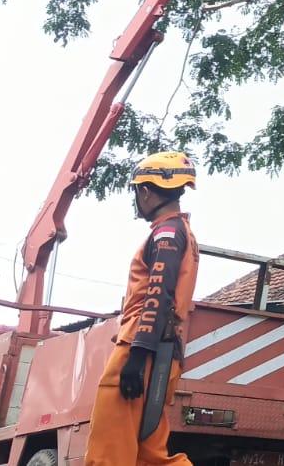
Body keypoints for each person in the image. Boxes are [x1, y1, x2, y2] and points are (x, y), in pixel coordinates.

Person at [87, 152, 200, 466]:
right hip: (162, 350)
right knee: (149, 456)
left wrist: (137, 355)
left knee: (109, 451)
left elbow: (158, 294)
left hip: (141, 346)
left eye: (136, 191)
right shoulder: (180, 231)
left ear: (146, 191)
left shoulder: (166, 234)